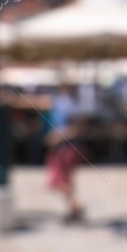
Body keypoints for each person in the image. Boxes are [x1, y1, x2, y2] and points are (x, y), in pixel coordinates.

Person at [45, 84, 85, 224]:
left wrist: (58, 136)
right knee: (60, 181)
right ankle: (74, 208)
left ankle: (76, 207)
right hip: (60, 147)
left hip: (67, 147)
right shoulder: (59, 103)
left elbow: (78, 128)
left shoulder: (72, 106)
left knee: (58, 181)